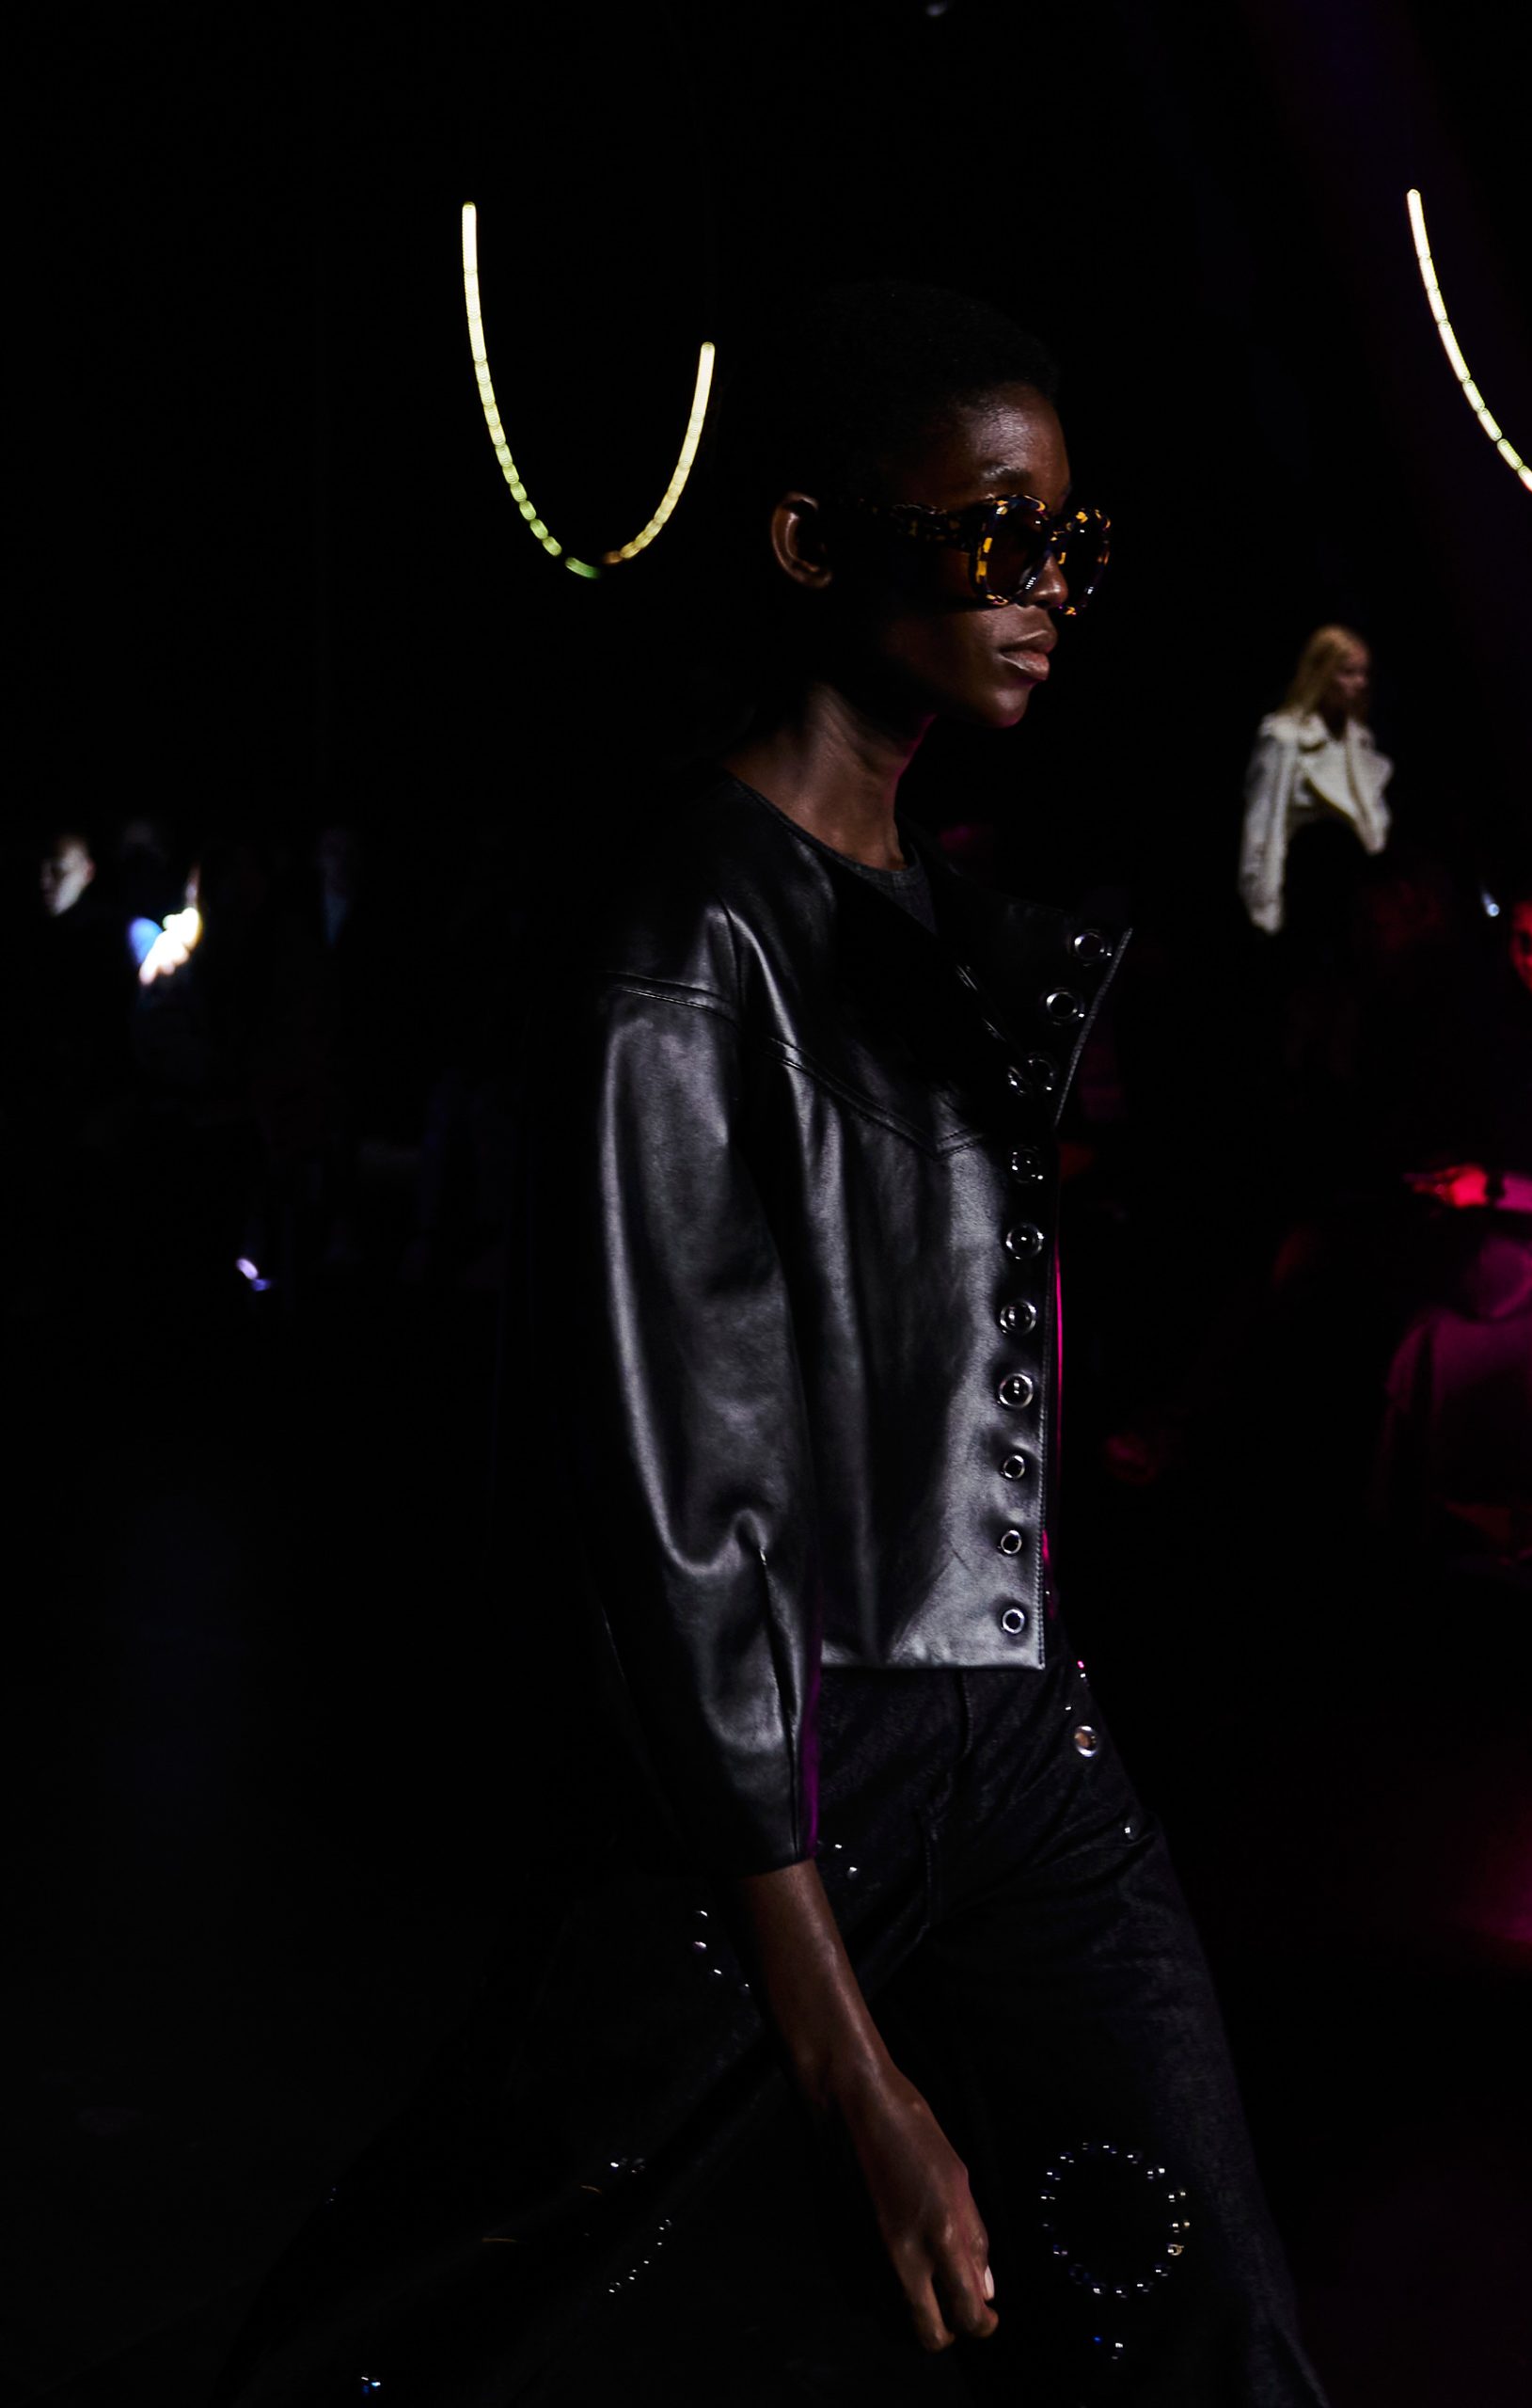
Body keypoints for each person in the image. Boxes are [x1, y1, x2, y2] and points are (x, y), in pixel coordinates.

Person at [217, 284, 1324, 2406]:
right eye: (991, 531)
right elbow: (678, 1530)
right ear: (816, 543)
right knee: (438, 2303)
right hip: (801, 1769)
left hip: (1026, 1741)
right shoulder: (685, 938)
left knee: (1197, 2305)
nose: (1043, 588)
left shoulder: (943, 920)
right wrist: (844, 2059)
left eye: (1069, 543)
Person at [1374, 874, 1532, 1538]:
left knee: (1445, 1343)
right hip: (1511, 1247)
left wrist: (1498, 1188)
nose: (1530, 950)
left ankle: (1525, 1517)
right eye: (1519, 935)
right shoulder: (1524, 1031)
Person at [1239, 626, 1391, 941]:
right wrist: (1264, 915)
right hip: (1305, 903)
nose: (1360, 683)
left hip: (1362, 907)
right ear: (1322, 674)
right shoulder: (1284, 738)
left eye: (1364, 673)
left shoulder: (1359, 743)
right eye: (1348, 672)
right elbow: (1261, 832)